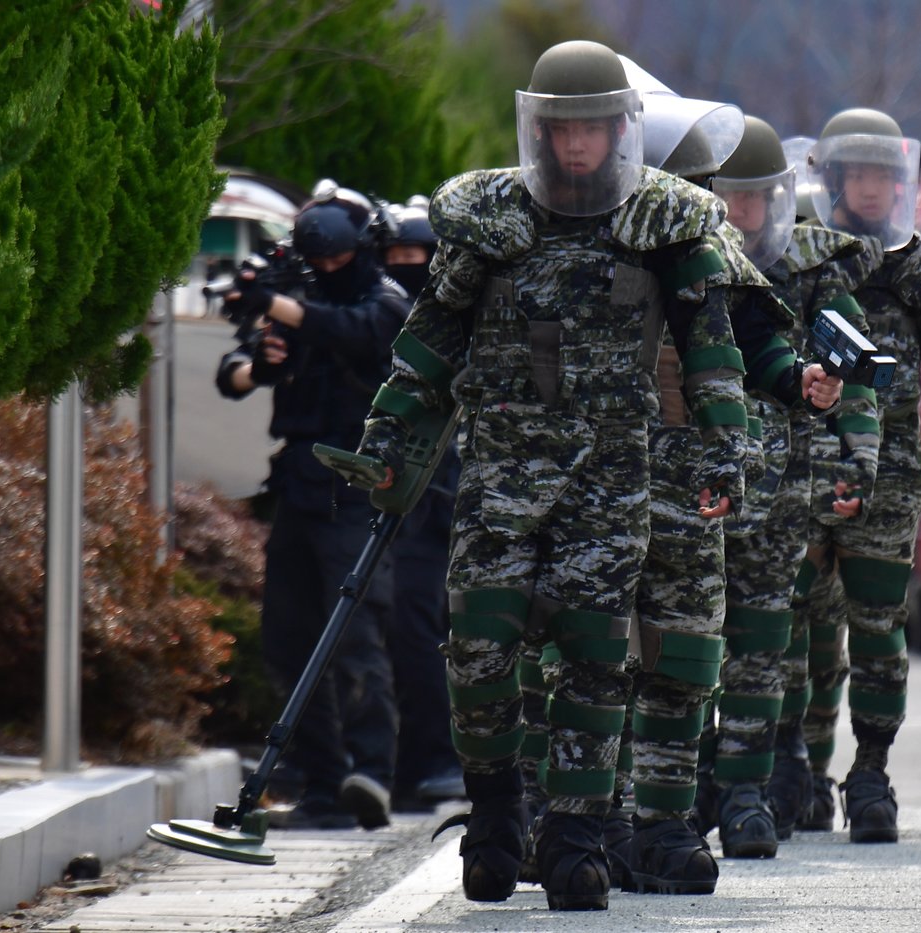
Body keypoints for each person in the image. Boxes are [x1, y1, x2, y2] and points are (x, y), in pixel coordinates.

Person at [354, 40, 750, 912]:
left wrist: (726, 445)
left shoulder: (667, 224)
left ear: (621, 131)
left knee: (595, 655)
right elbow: (433, 339)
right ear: (542, 131)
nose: (578, 148)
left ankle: (574, 839)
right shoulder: (490, 220)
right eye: (564, 131)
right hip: (500, 474)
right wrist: (390, 431)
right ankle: (496, 816)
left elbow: (710, 346)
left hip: (612, 478)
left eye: (594, 131)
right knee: (481, 648)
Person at [787, 107, 921, 843]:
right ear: (834, 178)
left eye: (884, 175)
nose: (871, 189)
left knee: (876, 625)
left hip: (893, 473)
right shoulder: (798, 255)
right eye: (858, 174)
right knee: (794, 620)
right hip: (799, 467)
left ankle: (869, 770)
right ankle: (797, 765)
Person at [697, 116, 883, 854]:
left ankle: (757, 780)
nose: (742, 214)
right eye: (728, 196)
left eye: (755, 198)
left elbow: (855, 370)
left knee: (767, 638)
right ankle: (677, 788)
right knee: (677, 637)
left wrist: (855, 461)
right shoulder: (685, 258)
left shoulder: (812, 269)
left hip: (780, 488)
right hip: (693, 481)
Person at [215, 182, 408, 831]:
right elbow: (235, 370)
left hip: (357, 489)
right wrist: (262, 362)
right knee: (289, 638)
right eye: (316, 262)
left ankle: (372, 774)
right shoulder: (295, 299)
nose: (326, 270)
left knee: (354, 634)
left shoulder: (381, 299)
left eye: (336, 260)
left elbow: (363, 331)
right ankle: (324, 782)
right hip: (298, 487)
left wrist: (287, 310)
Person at [372, 196, 465, 811]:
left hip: (444, 496)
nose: (408, 267)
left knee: (436, 629)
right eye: (396, 257)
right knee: (397, 631)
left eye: (419, 258)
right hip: (391, 492)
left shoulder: (453, 310)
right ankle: (402, 763)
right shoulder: (385, 316)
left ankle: (441, 757)